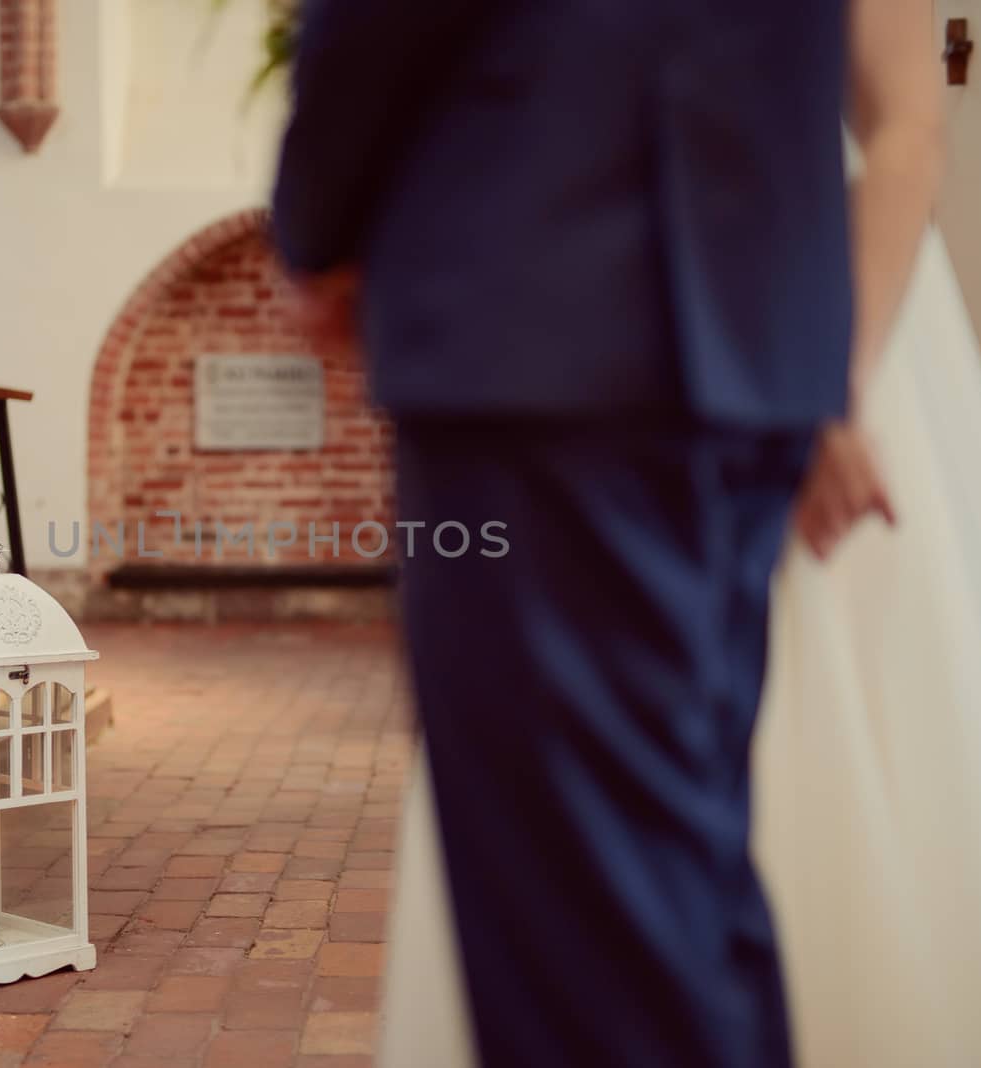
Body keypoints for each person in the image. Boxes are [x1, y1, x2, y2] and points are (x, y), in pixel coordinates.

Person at [272, 0, 938, 1064]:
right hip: (747, 338)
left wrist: (316, 224)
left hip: (549, 322)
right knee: (675, 891)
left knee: (586, 939)